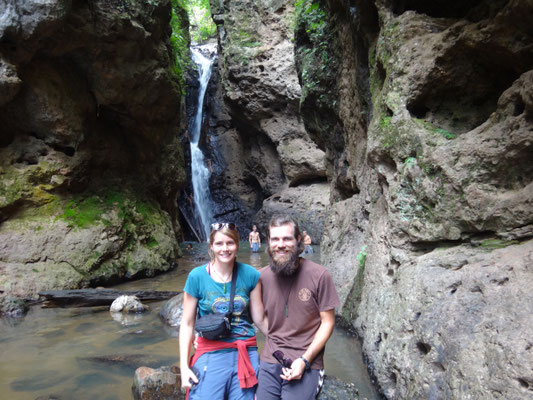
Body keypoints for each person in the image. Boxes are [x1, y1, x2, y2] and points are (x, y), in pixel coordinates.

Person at [179, 222, 267, 400]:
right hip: (211, 349)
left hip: (245, 350)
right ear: (211, 246)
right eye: (219, 244)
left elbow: (260, 319)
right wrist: (183, 366)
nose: (225, 249)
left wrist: (286, 346)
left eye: (230, 243)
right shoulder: (196, 277)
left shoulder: (251, 275)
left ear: (237, 244)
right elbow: (187, 324)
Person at [256, 215, 340, 400]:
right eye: (275, 239)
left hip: (307, 359)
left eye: (287, 238)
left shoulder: (319, 275)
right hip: (271, 357)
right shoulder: (259, 278)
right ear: (268, 242)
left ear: (298, 240)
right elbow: (241, 313)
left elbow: (328, 323)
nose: (281, 245)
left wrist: (304, 360)